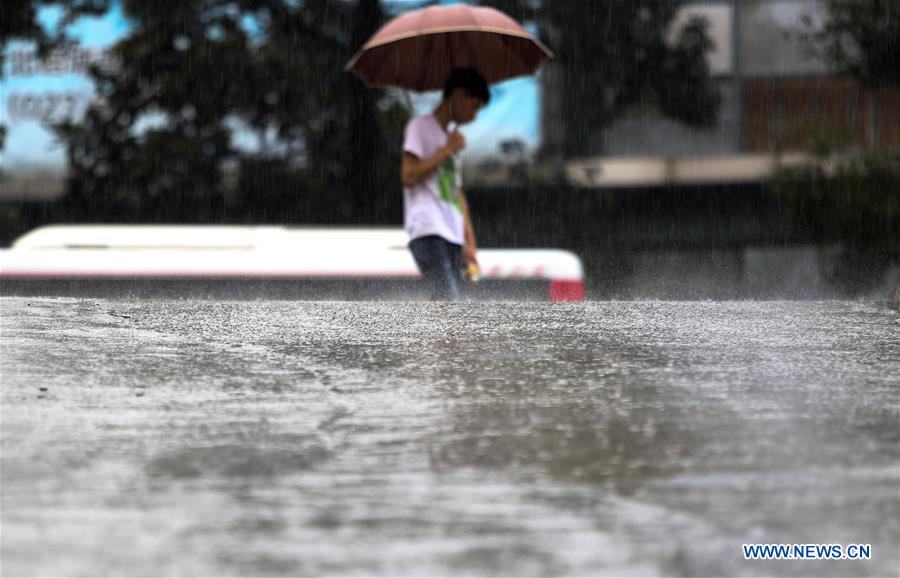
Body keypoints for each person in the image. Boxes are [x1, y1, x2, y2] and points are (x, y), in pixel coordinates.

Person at [401, 68, 489, 301]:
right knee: (449, 304)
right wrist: (446, 150)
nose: (473, 116)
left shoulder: (450, 138)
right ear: (458, 95)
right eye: (474, 106)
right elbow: (409, 176)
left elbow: (456, 193)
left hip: (451, 235)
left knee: (445, 307)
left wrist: (469, 242)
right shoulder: (420, 127)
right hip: (429, 230)